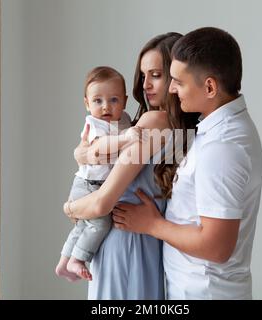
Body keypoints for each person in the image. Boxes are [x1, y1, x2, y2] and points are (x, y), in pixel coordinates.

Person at [112, 27, 262, 300]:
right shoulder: (212, 130)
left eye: (178, 82)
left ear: (209, 87)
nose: (171, 88)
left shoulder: (222, 146)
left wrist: (151, 225)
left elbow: (216, 246)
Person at [63, 32, 200, 299]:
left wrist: (69, 207)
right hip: (150, 244)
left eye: (156, 75)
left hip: (124, 239)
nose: (146, 84)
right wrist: (85, 153)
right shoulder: (186, 130)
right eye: (143, 75)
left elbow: (102, 203)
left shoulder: (151, 122)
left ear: (175, 75)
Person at [55, 66, 142, 281]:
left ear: (124, 100)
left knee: (85, 224)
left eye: (114, 100)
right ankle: (78, 259)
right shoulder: (94, 124)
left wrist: (126, 132)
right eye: (97, 101)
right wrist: (126, 138)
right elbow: (100, 146)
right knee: (100, 223)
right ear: (87, 103)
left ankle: (64, 261)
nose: (106, 107)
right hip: (88, 185)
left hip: (96, 184)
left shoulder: (124, 120)